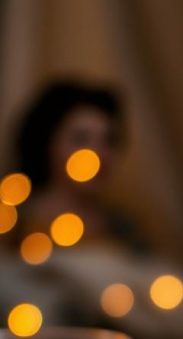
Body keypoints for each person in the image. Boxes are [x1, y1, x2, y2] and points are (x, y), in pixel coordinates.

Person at [13, 79, 145, 249]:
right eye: (80, 139)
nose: (99, 153)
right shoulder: (15, 224)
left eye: (109, 140)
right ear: (47, 144)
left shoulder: (124, 228)